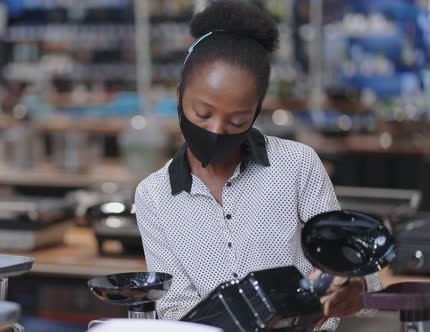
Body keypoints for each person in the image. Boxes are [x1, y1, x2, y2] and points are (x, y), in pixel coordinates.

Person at [134, 1, 381, 331]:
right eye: (202, 114)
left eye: (237, 120)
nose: (217, 130)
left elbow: (358, 270)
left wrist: (356, 288)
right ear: (179, 95)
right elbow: (176, 308)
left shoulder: (296, 165)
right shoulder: (154, 195)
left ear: (256, 112)